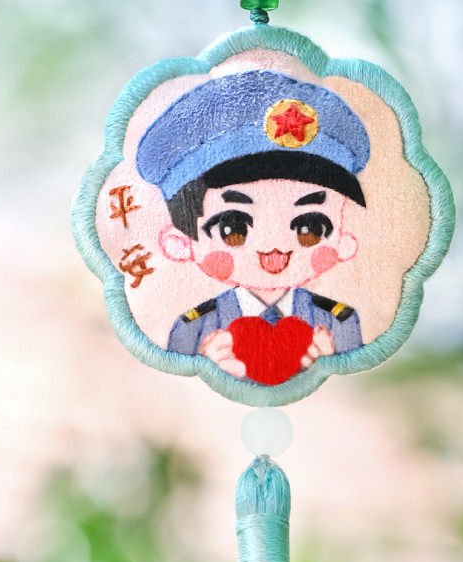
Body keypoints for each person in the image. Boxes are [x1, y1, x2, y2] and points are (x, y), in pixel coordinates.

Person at [136, 70, 369, 382]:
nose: (274, 244)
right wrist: (206, 365)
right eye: (234, 229)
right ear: (181, 242)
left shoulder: (339, 322)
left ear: (343, 239)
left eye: (309, 228)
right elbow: (172, 392)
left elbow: (363, 388)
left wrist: (334, 363)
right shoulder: (194, 329)